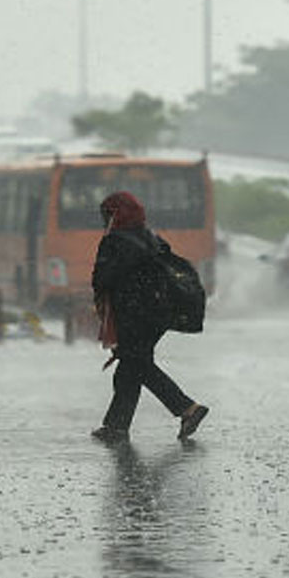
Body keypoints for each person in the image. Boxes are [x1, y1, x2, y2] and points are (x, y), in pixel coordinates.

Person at [90, 190, 209, 443]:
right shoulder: (152, 238)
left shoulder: (114, 241)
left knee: (138, 365)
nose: (105, 220)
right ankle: (116, 427)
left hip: (133, 314)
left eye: (107, 214)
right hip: (159, 314)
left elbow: (103, 279)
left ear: (115, 215)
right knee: (130, 368)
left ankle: (187, 408)